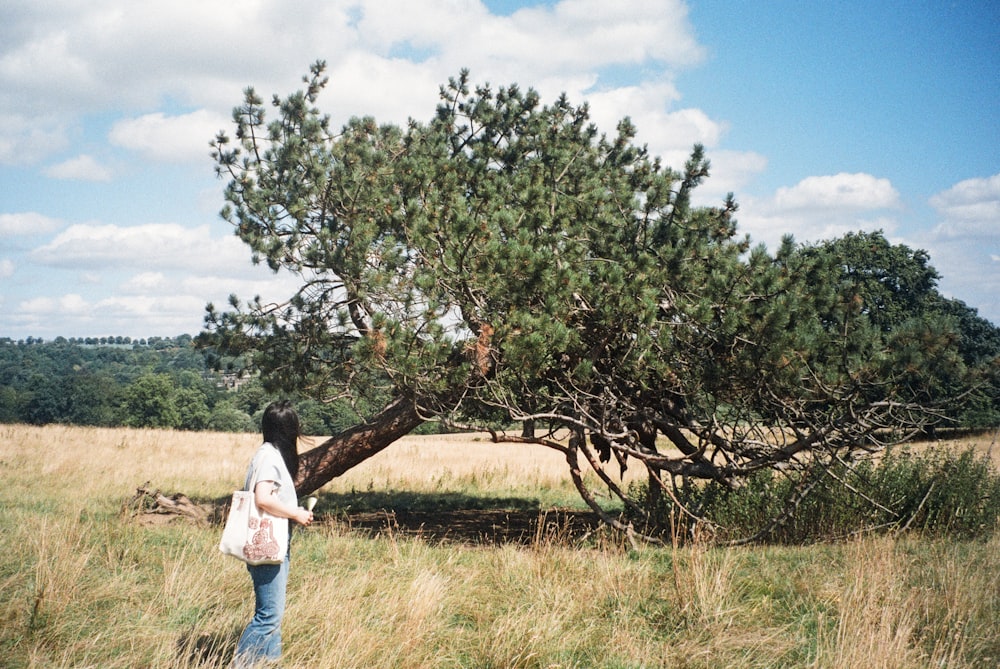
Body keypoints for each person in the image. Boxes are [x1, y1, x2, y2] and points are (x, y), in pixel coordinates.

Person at [234, 400, 314, 668]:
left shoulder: (266, 453)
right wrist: (295, 513)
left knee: (273, 616)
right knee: (267, 616)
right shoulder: (269, 457)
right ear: (290, 429)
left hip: (268, 543)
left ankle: (269, 662)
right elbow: (263, 499)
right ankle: (242, 664)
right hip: (267, 544)